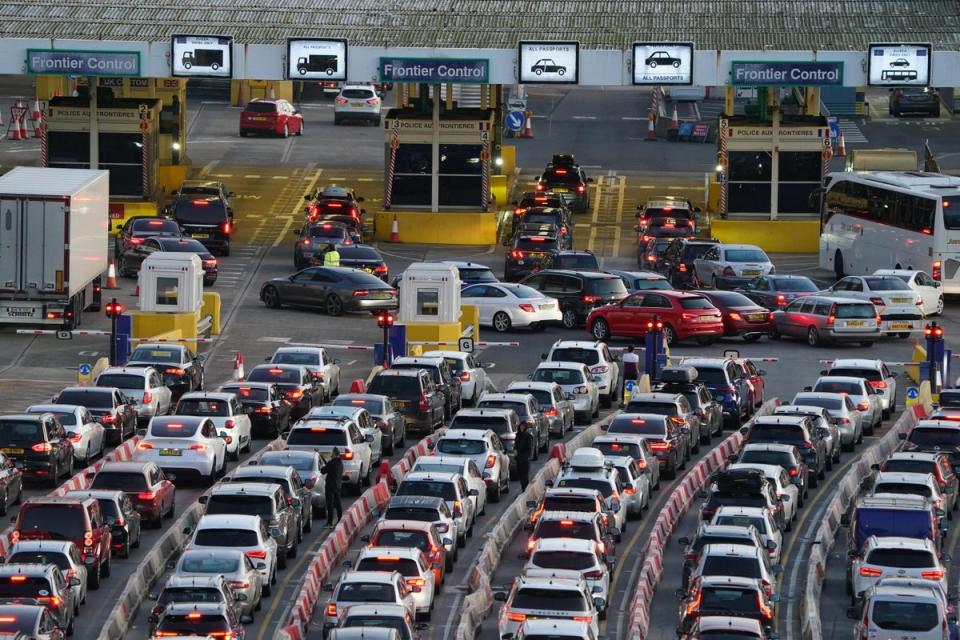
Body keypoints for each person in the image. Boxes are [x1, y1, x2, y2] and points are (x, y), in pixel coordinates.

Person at [320, 447, 344, 526]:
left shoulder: (331, 463)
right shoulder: (340, 463)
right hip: (338, 485)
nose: (331, 454)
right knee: (338, 503)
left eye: (332, 453)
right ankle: (340, 518)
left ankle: (330, 522)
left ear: (334, 453)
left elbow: (323, 471)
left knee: (330, 504)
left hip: (330, 486)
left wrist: (322, 466)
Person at [514, 421, 534, 492]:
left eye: (523, 426)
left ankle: (525, 491)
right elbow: (516, 445)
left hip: (525, 459)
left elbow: (529, 448)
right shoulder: (518, 435)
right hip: (518, 459)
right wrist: (515, 450)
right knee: (520, 476)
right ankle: (524, 490)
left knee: (524, 477)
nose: (522, 427)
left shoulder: (527, 436)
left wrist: (519, 450)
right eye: (521, 426)